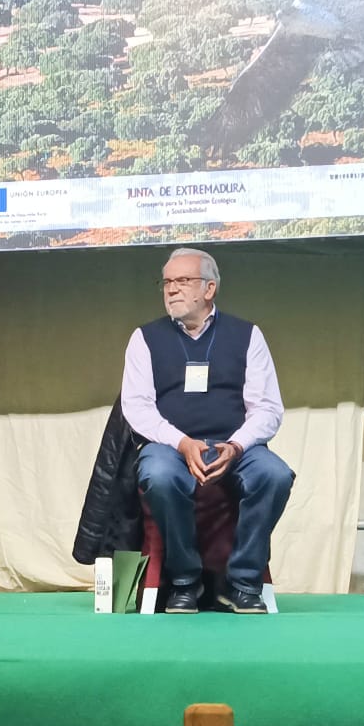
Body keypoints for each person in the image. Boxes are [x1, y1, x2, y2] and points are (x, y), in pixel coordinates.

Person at [121, 249, 293, 614]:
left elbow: (268, 408)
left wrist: (236, 445)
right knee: (158, 475)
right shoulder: (144, 338)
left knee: (275, 475)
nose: (171, 290)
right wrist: (182, 443)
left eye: (182, 281)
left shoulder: (247, 335)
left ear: (209, 288)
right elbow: (136, 408)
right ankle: (185, 581)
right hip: (170, 445)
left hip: (235, 445)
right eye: (166, 282)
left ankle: (242, 582)